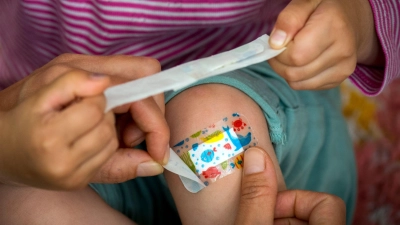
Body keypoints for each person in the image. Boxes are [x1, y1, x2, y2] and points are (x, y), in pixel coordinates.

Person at [0, 0, 398, 223]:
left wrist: (357, 20)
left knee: (206, 120)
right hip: (75, 136)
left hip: (264, 109)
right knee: (22, 206)